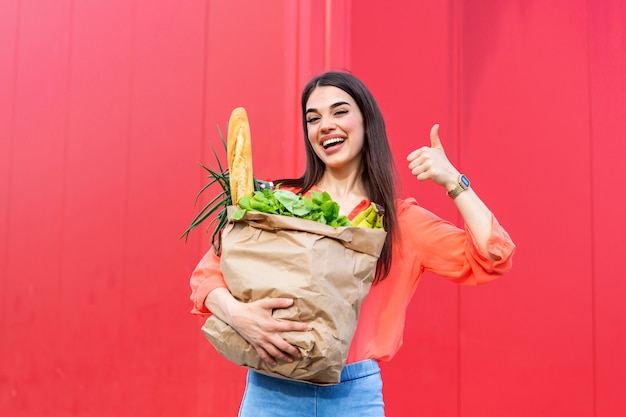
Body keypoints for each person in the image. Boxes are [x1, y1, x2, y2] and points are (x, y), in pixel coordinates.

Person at [189, 71, 515, 416]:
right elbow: (207, 276)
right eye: (313, 118)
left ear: (366, 121)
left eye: (339, 112)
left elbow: (492, 256)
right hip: (271, 390)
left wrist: (453, 181)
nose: (325, 125)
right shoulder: (280, 203)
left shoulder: (399, 223)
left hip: (353, 395)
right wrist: (239, 315)